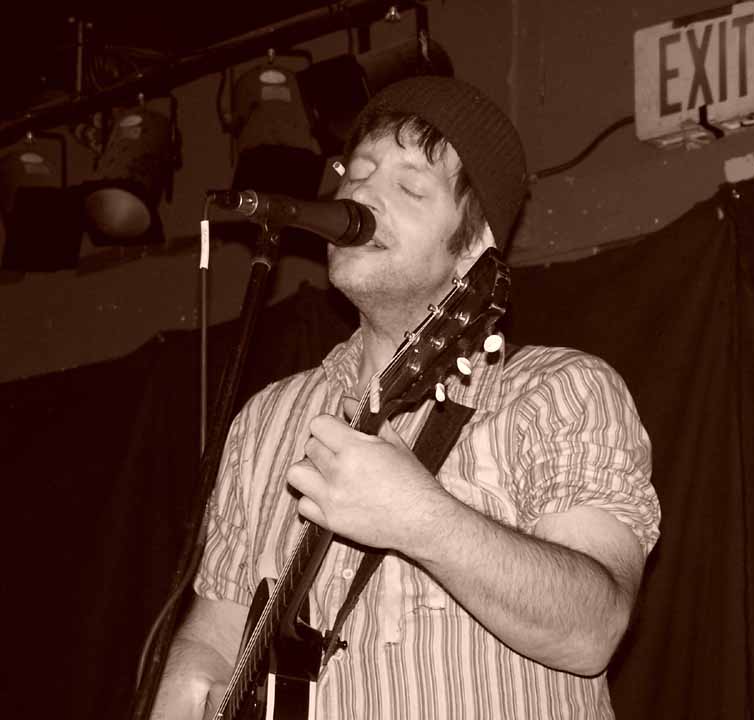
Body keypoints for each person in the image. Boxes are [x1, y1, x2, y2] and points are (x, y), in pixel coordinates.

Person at [152, 75, 660, 719]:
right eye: (356, 172)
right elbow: (217, 633)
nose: (361, 192)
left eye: (410, 186)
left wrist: (419, 516)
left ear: (473, 251)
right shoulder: (265, 421)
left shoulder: (561, 392)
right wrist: (185, 680)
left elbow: (594, 630)